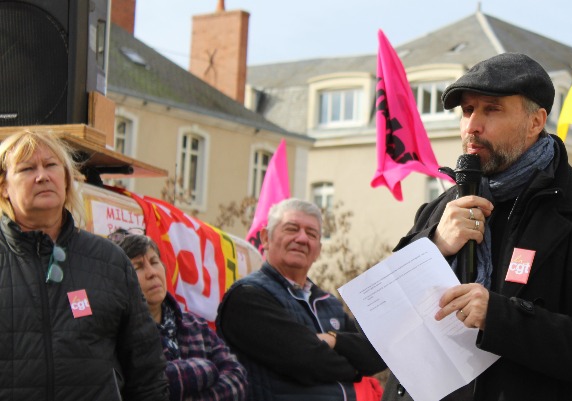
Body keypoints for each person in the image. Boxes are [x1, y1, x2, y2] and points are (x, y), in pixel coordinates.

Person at [383, 52, 572, 401]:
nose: (472, 126)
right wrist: (435, 246)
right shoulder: (439, 212)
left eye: (491, 110)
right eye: (467, 110)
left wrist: (501, 318)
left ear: (535, 122)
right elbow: (383, 321)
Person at [0, 130, 168, 400]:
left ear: (67, 179)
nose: (42, 176)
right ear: (4, 187)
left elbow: (147, 374)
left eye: (51, 165)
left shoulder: (110, 261)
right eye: (27, 168)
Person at [216, 198, 387, 400]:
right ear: (266, 238)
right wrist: (357, 368)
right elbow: (306, 360)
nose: (302, 238)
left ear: (318, 250)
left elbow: (380, 351)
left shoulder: (328, 303)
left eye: (311, 234)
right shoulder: (247, 296)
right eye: (292, 229)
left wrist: (333, 339)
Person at [109, 229, 248, 400]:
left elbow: (237, 378)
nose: (152, 273)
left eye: (154, 262)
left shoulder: (196, 326)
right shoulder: (118, 335)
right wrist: (206, 368)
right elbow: (141, 385)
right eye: (137, 267)